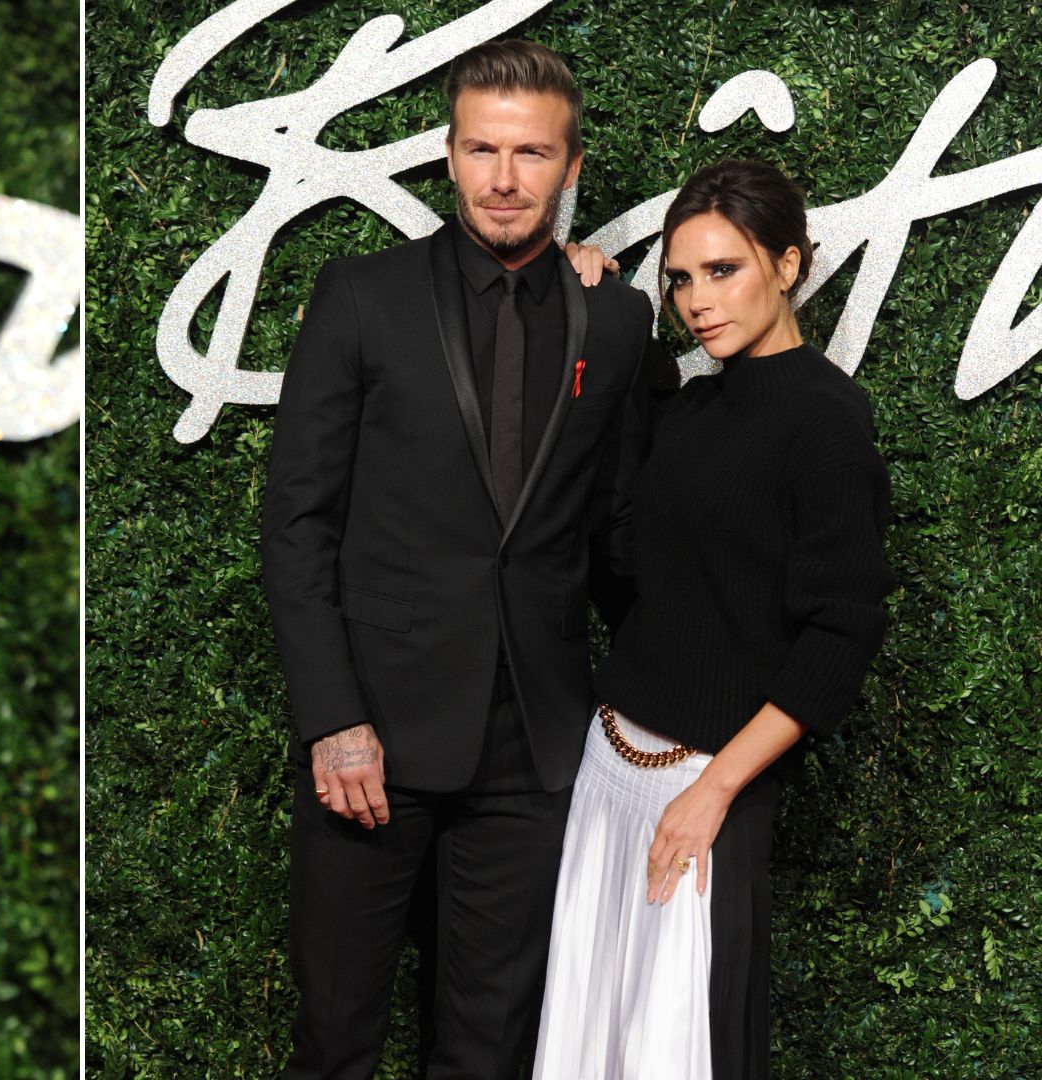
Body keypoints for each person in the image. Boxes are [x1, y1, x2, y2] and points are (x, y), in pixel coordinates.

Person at [260, 38, 668, 1079]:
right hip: (374, 741)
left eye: (531, 154)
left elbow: (619, 532)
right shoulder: (361, 295)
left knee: (489, 1052)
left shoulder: (617, 324)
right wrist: (334, 720)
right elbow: (297, 521)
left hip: (532, 753)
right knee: (337, 1039)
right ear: (448, 155)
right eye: (482, 149)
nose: (502, 178)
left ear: (570, 168)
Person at [531, 158, 894, 1079]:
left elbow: (840, 637)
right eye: (680, 279)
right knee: (587, 1042)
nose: (697, 300)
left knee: (674, 1052)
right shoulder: (691, 405)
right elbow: (631, 558)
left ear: (789, 264)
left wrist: (715, 791)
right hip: (607, 770)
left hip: (702, 789)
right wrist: (603, 294)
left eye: (724, 270)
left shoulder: (826, 419)